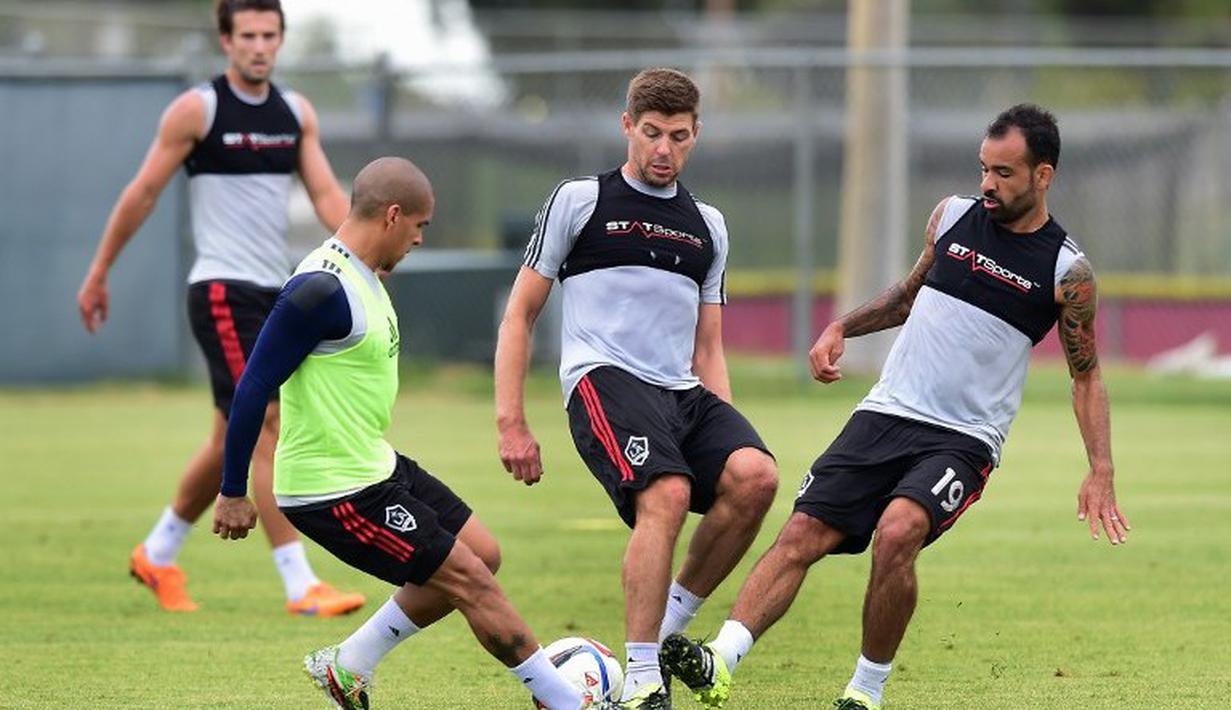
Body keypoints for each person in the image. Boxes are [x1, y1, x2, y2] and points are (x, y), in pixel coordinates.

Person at [659, 104, 1131, 710]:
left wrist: (1101, 468)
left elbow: (1086, 376)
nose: (987, 184)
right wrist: (842, 328)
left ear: (1044, 176)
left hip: (962, 438)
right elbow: (908, 297)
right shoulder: (953, 216)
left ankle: (864, 693)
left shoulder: (1068, 271)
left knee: (898, 531)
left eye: (1005, 173)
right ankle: (721, 659)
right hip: (885, 413)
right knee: (803, 530)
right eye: (984, 168)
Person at [213, 156, 613, 710]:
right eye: (421, 226)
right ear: (394, 215)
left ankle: (349, 664)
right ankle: (561, 700)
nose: (421, 239)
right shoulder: (319, 290)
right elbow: (253, 386)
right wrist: (233, 490)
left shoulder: (364, 277)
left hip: (375, 465)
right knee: (471, 580)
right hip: (334, 489)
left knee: (482, 552)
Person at [495, 68, 780, 710]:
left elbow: (708, 347)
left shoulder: (709, 223)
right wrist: (510, 422)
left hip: (683, 391)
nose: (663, 150)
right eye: (651, 133)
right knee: (669, 492)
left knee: (757, 477)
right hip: (604, 379)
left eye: (678, 137)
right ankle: (645, 680)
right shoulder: (580, 200)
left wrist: (727, 436)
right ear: (627, 125)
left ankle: (666, 633)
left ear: (695, 134)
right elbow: (520, 315)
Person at [75, 0, 364, 616]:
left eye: (270, 35)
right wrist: (99, 272)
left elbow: (324, 193)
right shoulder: (197, 111)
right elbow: (143, 192)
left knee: (222, 439)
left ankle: (157, 553)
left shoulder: (295, 114)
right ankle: (299, 585)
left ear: (281, 40)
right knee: (265, 425)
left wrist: (364, 253)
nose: (260, 46)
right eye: (248, 36)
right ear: (226, 41)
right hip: (220, 290)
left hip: (273, 292)